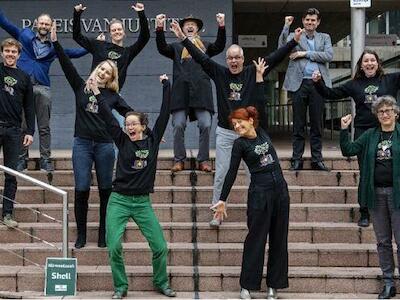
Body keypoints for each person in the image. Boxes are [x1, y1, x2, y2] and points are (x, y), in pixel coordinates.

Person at [170, 19, 301, 226]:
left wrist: (293, 41)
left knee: (252, 174)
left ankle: (255, 211)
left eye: (237, 57)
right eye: (230, 58)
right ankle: (217, 211)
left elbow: (275, 58)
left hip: (249, 134)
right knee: (221, 172)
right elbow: (200, 57)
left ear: (243, 58)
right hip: (226, 133)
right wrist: (183, 39)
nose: (234, 61)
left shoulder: (252, 71)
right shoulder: (219, 72)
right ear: (227, 59)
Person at [91, 75, 176, 299]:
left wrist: (167, 86)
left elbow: (166, 113)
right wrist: (98, 94)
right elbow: (108, 116)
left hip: (142, 202)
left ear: (143, 126)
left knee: (160, 246)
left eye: (133, 124)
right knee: (114, 246)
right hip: (118, 200)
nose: (129, 127)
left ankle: (161, 281)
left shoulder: (153, 141)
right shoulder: (121, 139)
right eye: (127, 124)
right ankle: (121, 286)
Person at [211, 59, 289, 300]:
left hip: (280, 192)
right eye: (234, 125)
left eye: (239, 123)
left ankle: (274, 285)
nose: (237, 127)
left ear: (250, 121)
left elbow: (260, 100)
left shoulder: (262, 130)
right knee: (256, 239)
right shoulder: (240, 145)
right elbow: (231, 172)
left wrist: (258, 78)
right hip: (259, 194)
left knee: (279, 239)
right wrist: (222, 199)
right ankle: (247, 285)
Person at [50, 24, 133, 249]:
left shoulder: (113, 96)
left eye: (108, 72)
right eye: (101, 69)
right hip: (82, 144)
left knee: (106, 189)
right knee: (82, 188)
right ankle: (82, 234)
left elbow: (130, 113)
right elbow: (66, 65)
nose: (103, 73)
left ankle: (103, 234)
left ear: (111, 77)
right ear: (96, 70)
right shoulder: (80, 88)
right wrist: (56, 42)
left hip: (106, 146)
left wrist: (146, 129)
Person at [312, 49, 400, 227]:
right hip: (364, 133)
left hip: (387, 130)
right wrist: (318, 82)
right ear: (361, 65)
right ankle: (365, 212)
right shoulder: (354, 84)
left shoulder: (390, 79)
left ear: (378, 63)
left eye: (372, 60)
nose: (369, 63)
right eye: (365, 61)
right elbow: (330, 93)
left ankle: (393, 207)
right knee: (366, 171)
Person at [0, 8, 87, 172]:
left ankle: (45, 159)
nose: (44, 25)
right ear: (36, 24)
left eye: (47, 24)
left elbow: (72, 53)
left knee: (44, 126)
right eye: (42, 23)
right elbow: (5, 23)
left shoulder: (54, 47)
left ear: (51, 26)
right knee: (22, 125)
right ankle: (21, 159)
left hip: (42, 88)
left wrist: (92, 46)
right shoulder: (24, 35)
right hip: (22, 88)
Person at [340, 95, 400, 300]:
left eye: (388, 110)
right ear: (376, 115)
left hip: (398, 195)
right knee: (383, 241)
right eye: (381, 111)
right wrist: (343, 130)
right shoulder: (370, 135)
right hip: (376, 195)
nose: (385, 114)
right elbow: (348, 149)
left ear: (396, 113)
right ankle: (388, 283)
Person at [155, 13, 226, 172]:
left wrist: (221, 25)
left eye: (193, 24)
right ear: (182, 28)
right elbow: (161, 48)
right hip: (180, 94)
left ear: (198, 29)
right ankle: (179, 160)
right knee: (178, 125)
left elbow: (220, 46)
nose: (190, 26)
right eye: (187, 24)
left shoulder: (205, 46)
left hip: (202, 93)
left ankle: (204, 160)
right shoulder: (176, 47)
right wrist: (159, 28)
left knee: (205, 124)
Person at [278, 8, 333, 171]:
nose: (310, 22)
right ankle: (297, 159)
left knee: (317, 123)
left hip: (318, 84)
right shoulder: (295, 35)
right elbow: (282, 48)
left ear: (318, 22)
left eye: (313, 20)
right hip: (298, 83)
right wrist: (286, 26)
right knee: (298, 124)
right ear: (303, 21)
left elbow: (328, 55)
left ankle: (317, 159)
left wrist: (304, 53)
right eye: (307, 20)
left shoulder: (325, 37)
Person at [73, 2, 150, 90]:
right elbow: (77, 36)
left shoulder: (127, 53)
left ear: (124, 32)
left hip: (112, 96)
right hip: (94, 91)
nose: (117, 32)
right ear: (110, 34)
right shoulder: (99, 45)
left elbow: (145, 38)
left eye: (119, 29)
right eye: (113, 30)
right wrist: (77, 14)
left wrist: (141, 13)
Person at [0, 38, 35, 228]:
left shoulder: (24, 77)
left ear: (19, 55)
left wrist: (30, 131)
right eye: (7, 51)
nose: (10, 54)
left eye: (13, 52)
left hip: (14, 130)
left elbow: (29, 107)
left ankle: (7, 213)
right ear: (2, 53)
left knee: (11, 174)